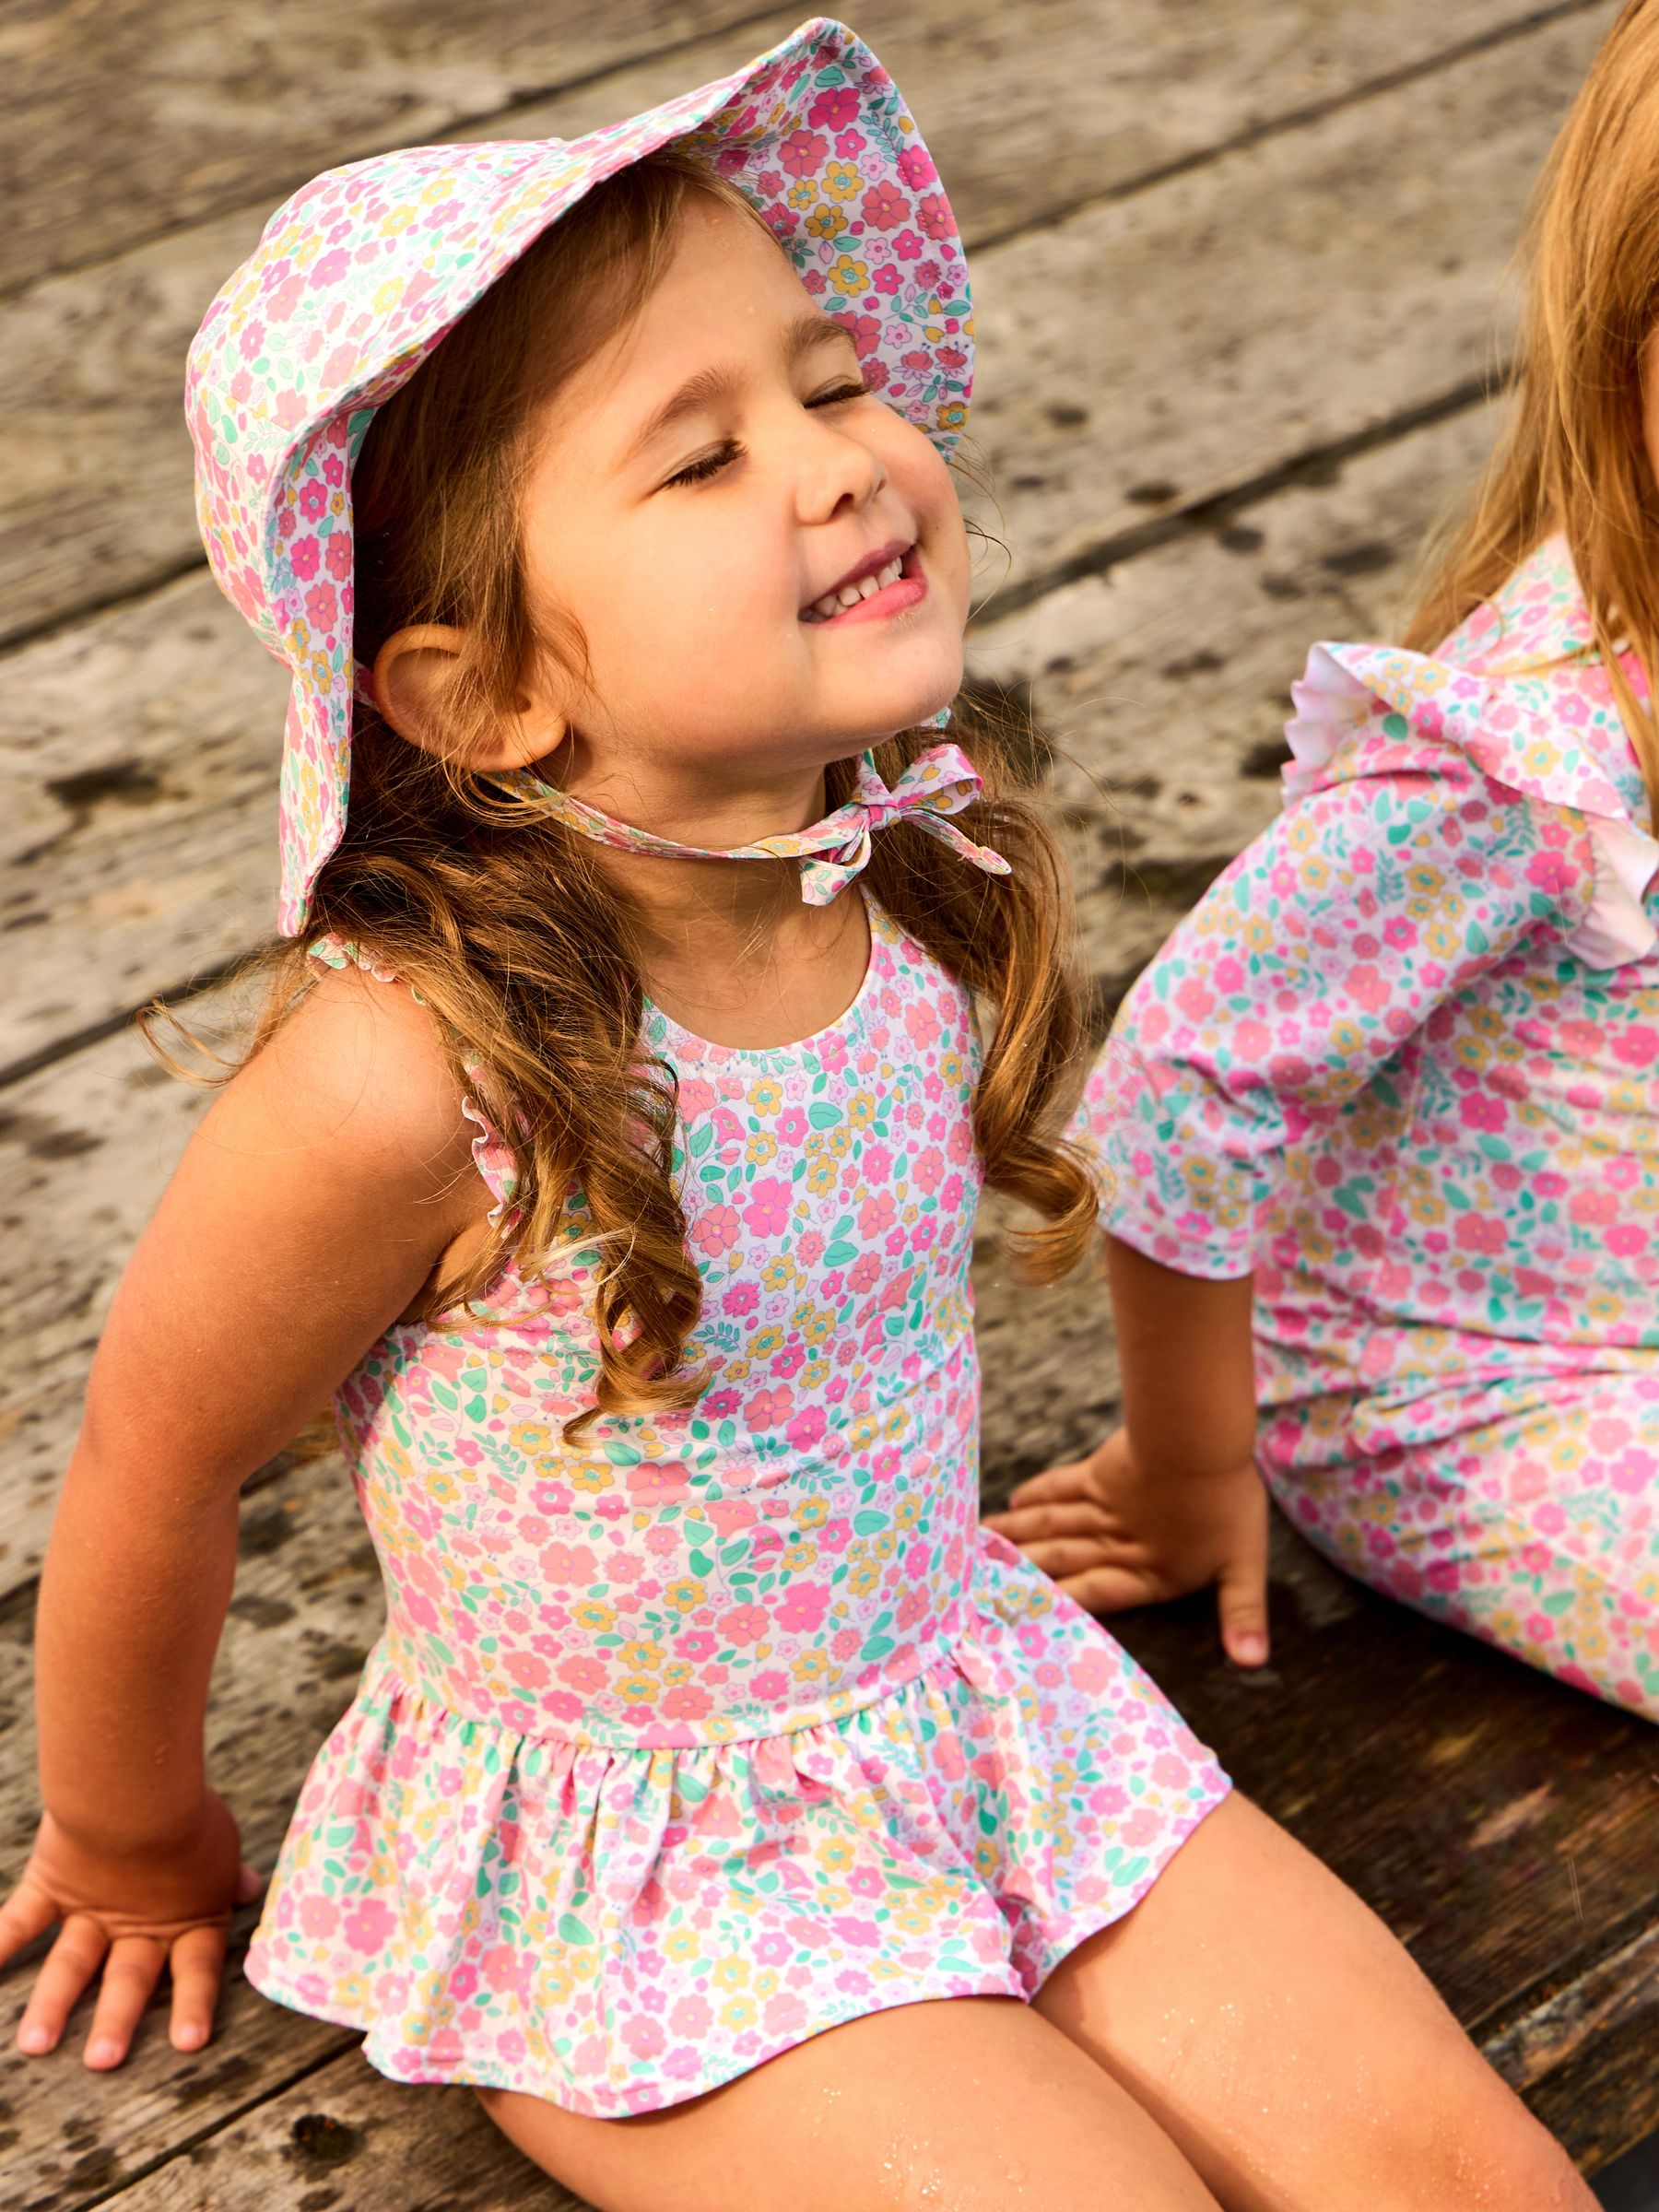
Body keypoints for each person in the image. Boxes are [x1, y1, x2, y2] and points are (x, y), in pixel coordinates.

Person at [0, 22, 1588, 2207]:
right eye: (701, 459)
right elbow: (153, 1455)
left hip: (970, 1705)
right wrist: (130, 1835)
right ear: (486, 692)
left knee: (1474, 2181)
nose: (837, 463)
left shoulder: (914, 871)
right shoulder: (411, 1073)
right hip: (660, 1869)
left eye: (831, 385)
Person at [990, 0, 1659, 1724]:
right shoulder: (1524, 763)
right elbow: (1182, 1079)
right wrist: (1184, 1464)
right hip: (1469, 1394)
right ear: (1626, 346)